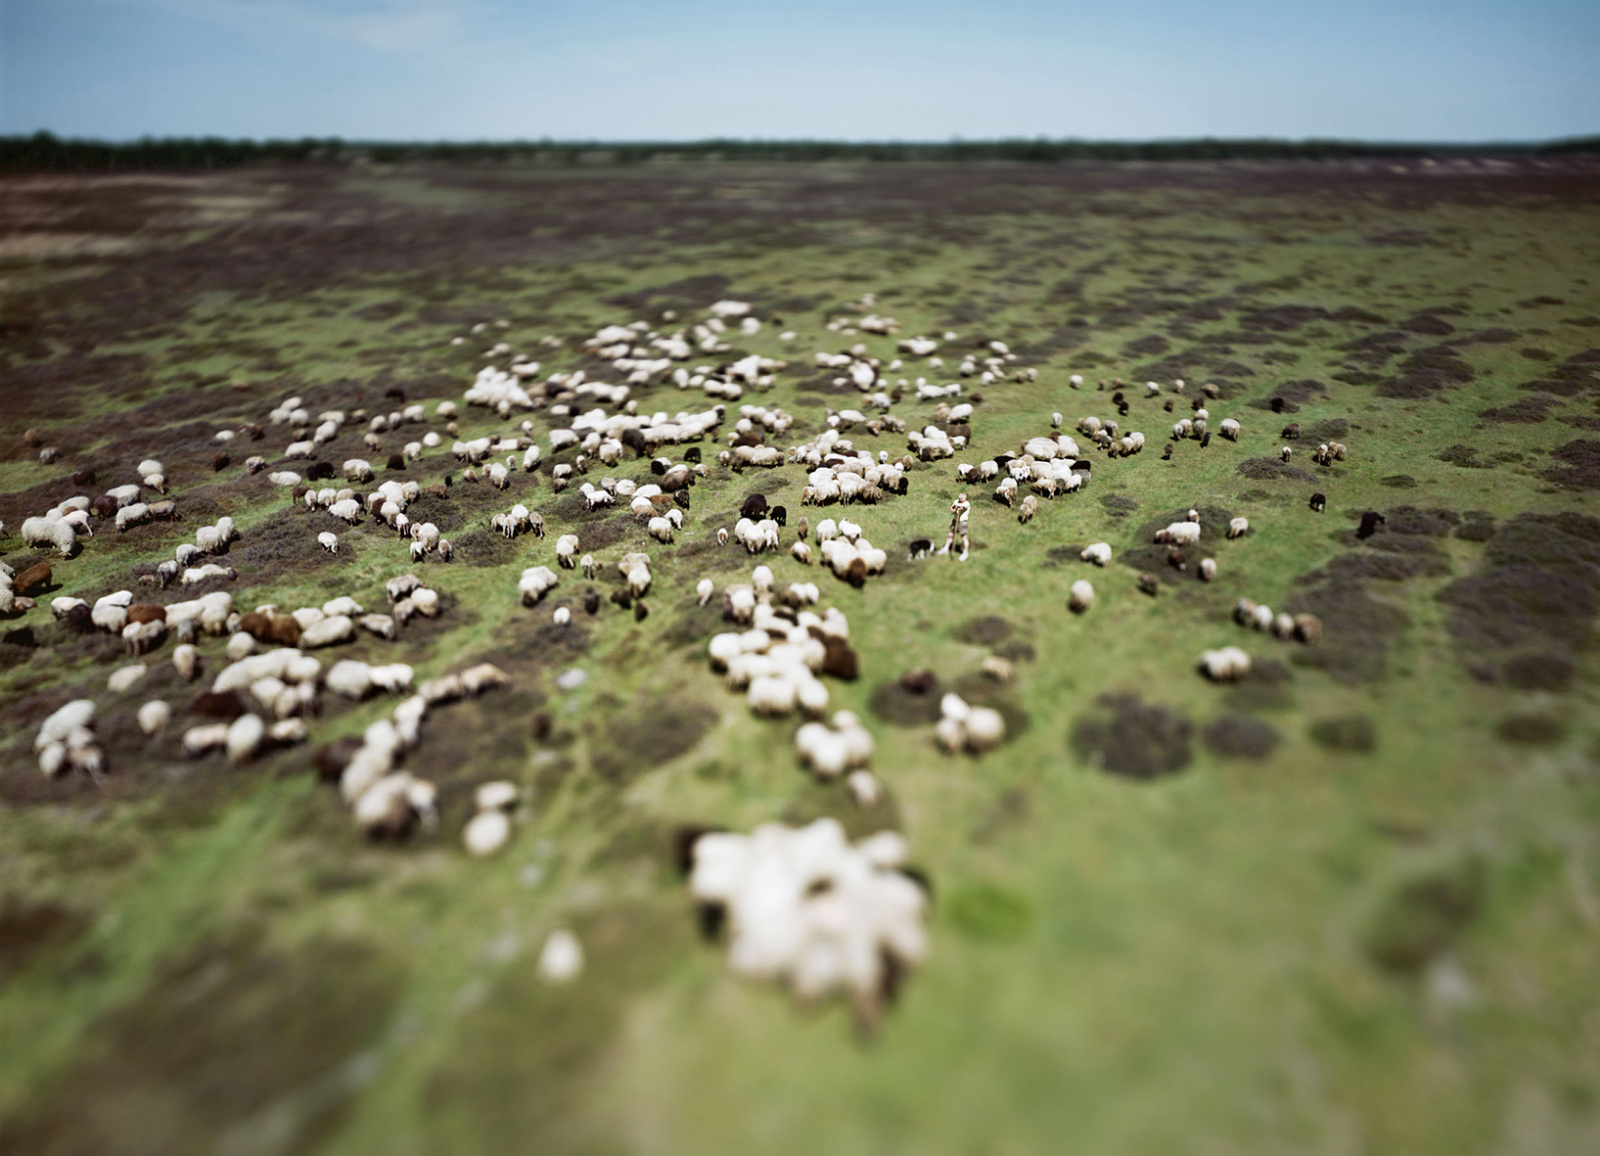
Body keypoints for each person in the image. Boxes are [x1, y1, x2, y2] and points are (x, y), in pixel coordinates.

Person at [938, 492, 971, 560]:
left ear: (965, 498)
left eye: (962, 498)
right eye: (960, 498)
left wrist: (958, 507)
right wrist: (954, 509)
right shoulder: (956, 501)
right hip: (955, 521)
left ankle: (965, 553)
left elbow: (962, 507)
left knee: (963, 537)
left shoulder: (967, 503)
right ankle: (946, 548)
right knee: (951, 534)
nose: (961, 499)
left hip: (962, 522)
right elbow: (952, 510)